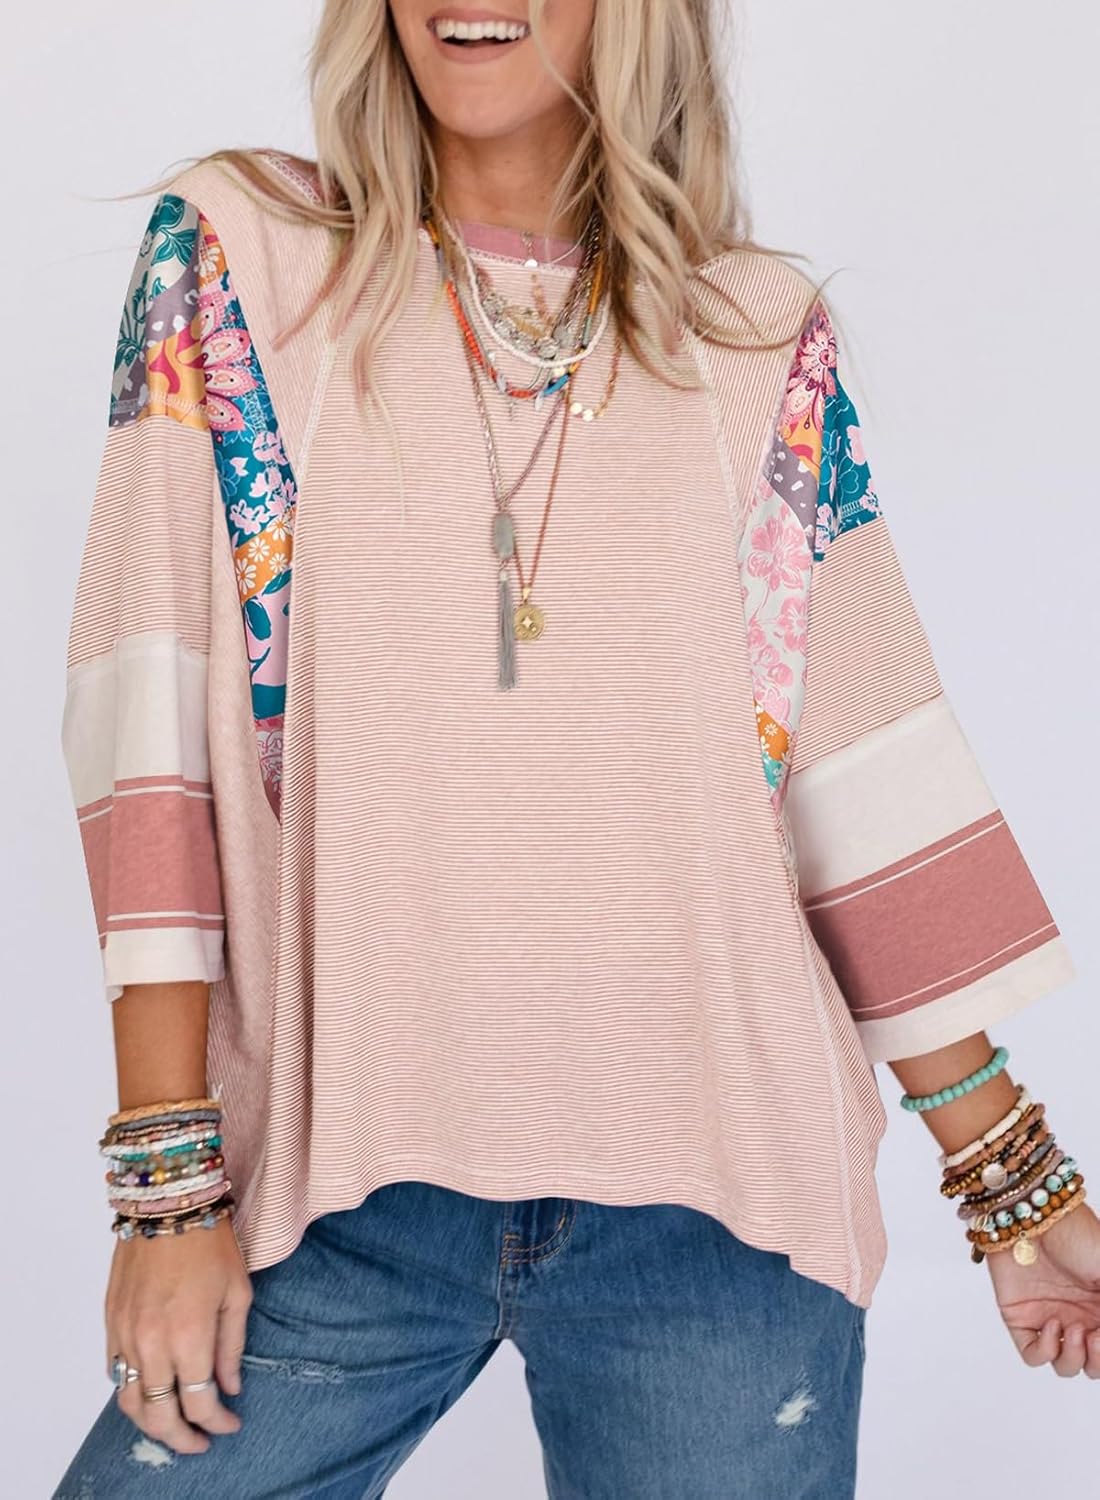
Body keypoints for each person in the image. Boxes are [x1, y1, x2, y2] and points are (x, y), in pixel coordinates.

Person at [52, 2, 1098, 1496]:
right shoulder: (242, 261)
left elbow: (847, 793)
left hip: (718, 1212)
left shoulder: (751, 336)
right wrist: (168, 1195)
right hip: (332, 1188)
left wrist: (1017, 1191)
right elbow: (145, 718)